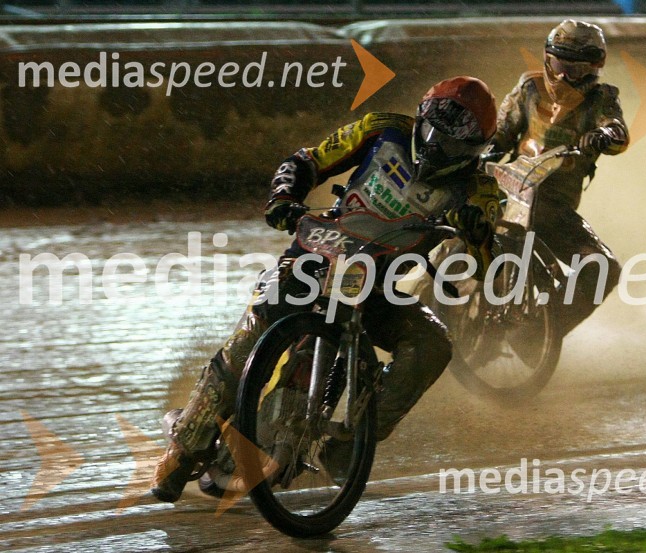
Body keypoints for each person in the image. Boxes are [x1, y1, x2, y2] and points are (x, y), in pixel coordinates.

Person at [151, 76, 501, 502]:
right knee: (251, 336)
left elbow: (487, 265)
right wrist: (284, 198)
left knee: (432, 346)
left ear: (476, 148)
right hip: (314, 258)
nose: (435, 146)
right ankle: (185, 442)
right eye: (432, 131)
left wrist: (477, 235)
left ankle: (351, 443)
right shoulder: (380, 128)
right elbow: (306, 160)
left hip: (377, 289)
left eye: (450, 143)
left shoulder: (480, 190)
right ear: (421, 117)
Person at [490, 19, 629, 336]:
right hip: (507, 192)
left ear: (594, 68)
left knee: (601, 269)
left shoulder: (602, 99)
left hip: (552, 209)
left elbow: (618, 131)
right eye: (559, 66)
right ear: (547, 59)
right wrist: (482, 153)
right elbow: (499, 134)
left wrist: (603, 135)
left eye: (575, 70)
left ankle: (535, 336)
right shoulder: (529, 87)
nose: (565, 76)